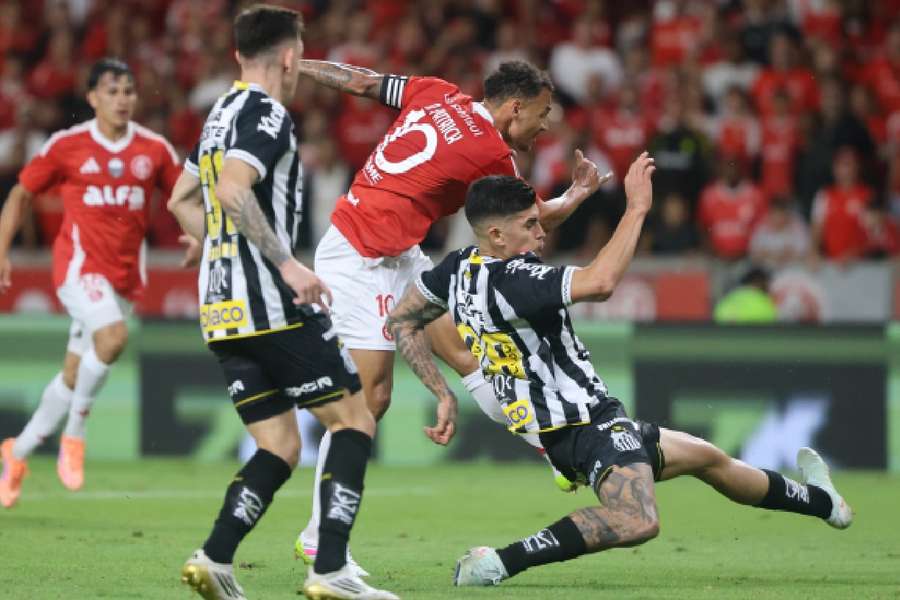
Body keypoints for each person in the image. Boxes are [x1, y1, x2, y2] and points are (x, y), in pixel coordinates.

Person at [386, 164, 852, 588]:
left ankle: (823, 503)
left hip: (576, 421)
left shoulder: (457, 270)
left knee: (710, 459)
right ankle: (498, 563)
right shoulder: (517, 282)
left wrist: (440, 391)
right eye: (531, 225)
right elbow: (601, 282)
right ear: (497, 234)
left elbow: (402, 321)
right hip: (584, 425)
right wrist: (637, 208)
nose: (541, 232)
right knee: (638, 521)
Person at [291, 59, 609, 566]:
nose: (545, 125)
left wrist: (300, 65)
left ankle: (555, 449)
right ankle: (319, 535)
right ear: (515, 107)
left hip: (401, 253)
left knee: (468, 357)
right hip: (359, 255)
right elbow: (533, 217)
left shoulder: (437, 93)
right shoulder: (493, 155)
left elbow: (362, 81)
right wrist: (580, 193)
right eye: (543, 113)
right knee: (370, 400)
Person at [166, 6, 396, 600]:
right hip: (270, 300)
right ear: (291, 57)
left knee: (280, 445)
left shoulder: (220, 113)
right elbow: (232, 189)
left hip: (220, 309)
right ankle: (332, 570)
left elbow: (181, 199)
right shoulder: (268, 113)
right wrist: (289, 264)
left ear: (240, 54)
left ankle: (215, 558)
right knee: (354, 419)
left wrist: (206, 239)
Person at [0, 58, 182, 508]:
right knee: (114, 338)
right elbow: (21, 191)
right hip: (79, 269)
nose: (122, 99)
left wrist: (195, 234)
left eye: (128, 91)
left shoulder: (154, 149)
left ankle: (17, 452)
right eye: (112, 91)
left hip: (124, 278)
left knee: (72, 372)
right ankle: (75, 437)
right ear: (92, 98)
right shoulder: (68, 146)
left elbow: (183, 197)